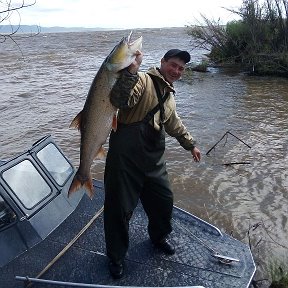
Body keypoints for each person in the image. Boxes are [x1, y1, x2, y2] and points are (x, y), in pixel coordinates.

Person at [104, 48, 201, 279]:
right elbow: (119, 100)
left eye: (181, 68)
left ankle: (158, 238)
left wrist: (191, 145)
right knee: (119, 209)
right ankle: (116, 257)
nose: (177, 71)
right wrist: (132, 71)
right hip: (125, 158)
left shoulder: (169, 93)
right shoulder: (143, 79)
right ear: (162, 62)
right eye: (174, 65)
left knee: (163, 201)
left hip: (153, 159)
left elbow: (173, 122)